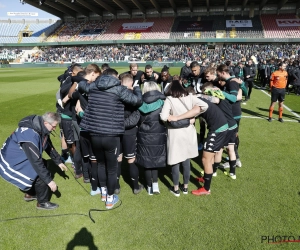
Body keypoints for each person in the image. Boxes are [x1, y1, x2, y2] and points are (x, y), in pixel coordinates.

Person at [77, 68, 142, 209]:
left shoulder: (93, 86)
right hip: (111, 135)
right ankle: (110, 199)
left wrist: (83, 78)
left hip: (95, 133)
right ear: (115, 77)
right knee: (112, 169)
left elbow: (81, 84)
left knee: (101, 164)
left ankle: (104, 193)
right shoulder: (119, 89)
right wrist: (136, 88)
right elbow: (137, 101)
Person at [0, 112, 68, 210]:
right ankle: (42, 203)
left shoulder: (40, 126)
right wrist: (50, 181)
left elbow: (47, 145)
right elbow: (36, 162)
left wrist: (58, 161)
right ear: (46, 123)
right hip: (10, 162)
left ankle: (30, 194)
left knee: (44, 165)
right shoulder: (30, 136)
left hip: (18, 156)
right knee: (41, 173)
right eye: (53, 126)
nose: (54, 129)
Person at [160, 80, 208, 196]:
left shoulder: (170, 99)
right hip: (188, 132)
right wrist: (192, 117)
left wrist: (176, 118)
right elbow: (205, 106)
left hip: (175, 133)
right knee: (186, 160)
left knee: (175, 161)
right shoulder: (190, 97)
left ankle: (176, 188)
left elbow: (163, 117)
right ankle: (185, 187)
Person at [136, 81, 167, 195]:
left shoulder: (139, 102)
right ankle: (155, 185)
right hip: (158, 135)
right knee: (155, 160)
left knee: (146, 161)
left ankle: (149, 187)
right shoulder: (163, 102)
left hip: (143, 135)